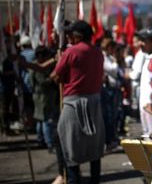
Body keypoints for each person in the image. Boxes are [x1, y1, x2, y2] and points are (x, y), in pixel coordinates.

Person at [51, 20, 105, 184]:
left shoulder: (72, 51)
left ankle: (73, 179)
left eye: (70, 34)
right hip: (94, 102)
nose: (67, 37)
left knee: (66, 142)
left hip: (74, 103)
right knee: (94, 148)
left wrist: (60, 61)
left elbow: (55, 76)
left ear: (77, 36)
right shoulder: (98, 52)